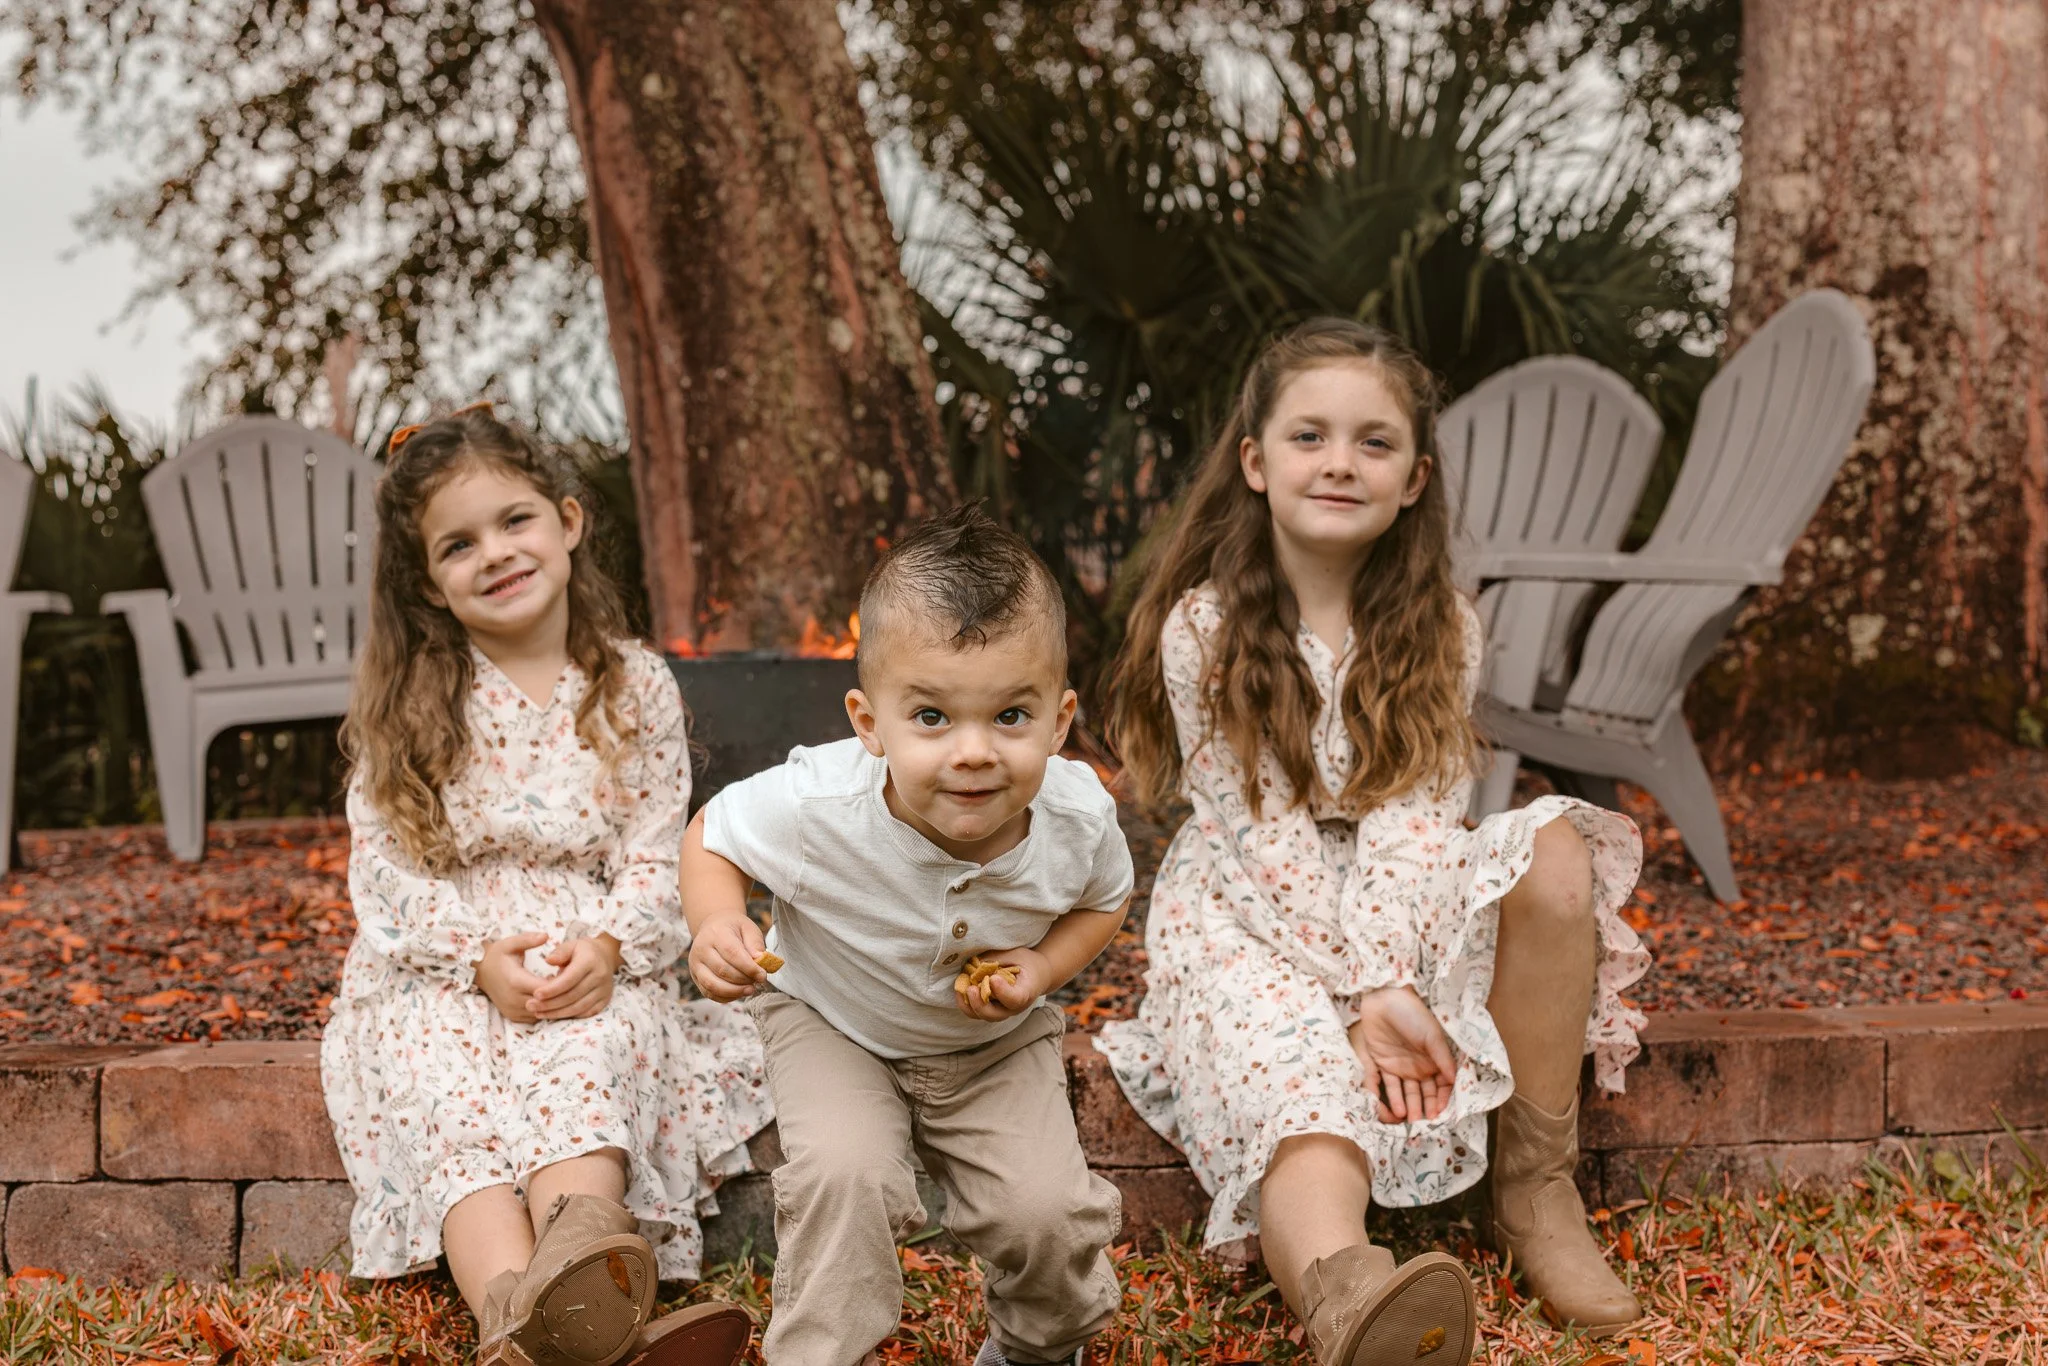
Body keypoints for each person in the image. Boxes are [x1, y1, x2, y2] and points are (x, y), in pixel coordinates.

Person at [1094, 319, 1653, 1365]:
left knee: (1553, 849)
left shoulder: (1440, 623)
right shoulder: (1204, 629)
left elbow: (1416, 819)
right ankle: (1347, 1292)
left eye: (1373, 442)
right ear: (1255, 462)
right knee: (1296, 1077)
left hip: (1397, 898)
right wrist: (1358, 992)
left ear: (1412, 480)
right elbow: (1261, 835)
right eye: (1308, 435)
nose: (1339, 461)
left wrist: (1390, 977)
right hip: (1251, 906)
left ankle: (1532, 1189)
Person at [321, 404, 770, 1366]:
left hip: (592, 947)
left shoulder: (634, 685)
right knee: (442, 1083)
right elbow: (386, 867)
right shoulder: (414, 699)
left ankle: (572, 1292)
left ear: (568, 522)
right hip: (445, 967)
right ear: (431, 586)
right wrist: (475, 959)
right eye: (458, 545)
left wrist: (610, 948)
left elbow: (660, 849)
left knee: (593, 1052)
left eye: (514, 521)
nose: (494, 553)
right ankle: (515, 1322)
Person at [682, 505, 1132, 1366]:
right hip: (834, 1026)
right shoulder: (819, 806)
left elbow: (1104, 902)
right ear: (868, 722)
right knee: (842, 1177)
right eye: (930, 717)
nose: (972, 752)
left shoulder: (1076, 818)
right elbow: (712, 832)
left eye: (1010, 716)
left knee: (1043, 1210)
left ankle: (1038, 1348)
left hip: (992, 1043)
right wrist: (717, 921)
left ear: (1061, 719)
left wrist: (1042, 965)